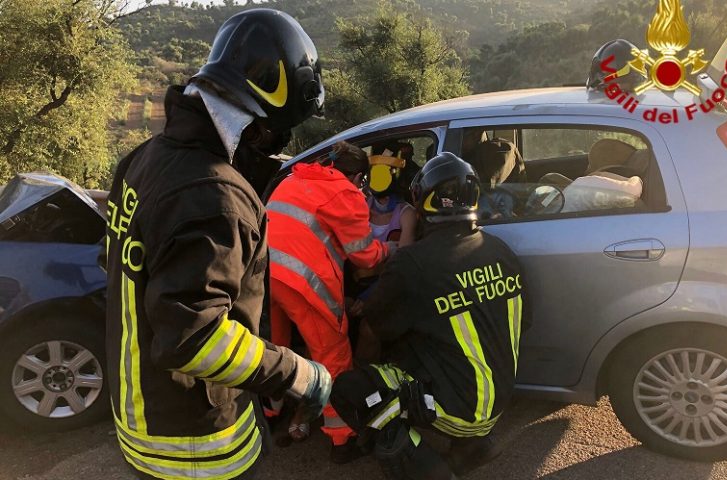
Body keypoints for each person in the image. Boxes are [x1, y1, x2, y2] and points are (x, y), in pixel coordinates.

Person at [104, 10, 331, 480]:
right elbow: (195, 338)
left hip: (143, 417)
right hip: (198, 444)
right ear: (262, 122)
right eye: (278, 134)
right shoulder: (214, 196)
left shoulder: (144, 160)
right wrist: (295, 374)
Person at [331, 152, 527, 479]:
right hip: (500, 398)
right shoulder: (501, 251)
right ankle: (473, 447)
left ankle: (426, 469)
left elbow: (371, 330)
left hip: (462, 410)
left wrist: (369, 376)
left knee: (350, 389)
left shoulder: (412, 264)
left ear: (424, 202)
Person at [266, 141, 395, 461]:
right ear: (358, 178)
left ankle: (271, 414)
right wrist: (390, 251)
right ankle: (341, 439)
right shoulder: (346, 194)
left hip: (266, 275)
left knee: (276, 347)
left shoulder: (292, 180)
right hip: (304, 283)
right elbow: (364, 257)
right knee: (334, 356)